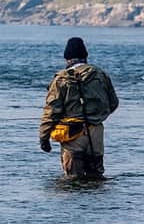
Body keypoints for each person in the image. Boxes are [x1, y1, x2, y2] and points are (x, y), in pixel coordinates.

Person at [39, 37, 119, 180]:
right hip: (96, 133)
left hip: (72, 134)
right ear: (85, 56)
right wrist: (96, 116)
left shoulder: (61, 80)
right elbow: (113, 103)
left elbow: (51, 112)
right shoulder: (100, 74)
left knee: (72, 181)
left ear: (67, 59)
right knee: (96, 179)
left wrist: (44, 138)